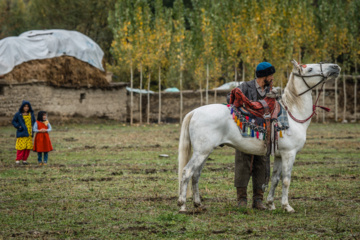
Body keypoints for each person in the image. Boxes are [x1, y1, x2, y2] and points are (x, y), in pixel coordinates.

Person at [231, 62, 275, 210]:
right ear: (264, 76)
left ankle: (258, 200)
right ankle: (241, 199)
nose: (272, 77)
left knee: (262, 163)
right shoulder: (245, 87)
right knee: (243, 161)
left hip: (264, 134)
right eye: (271, 75)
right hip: (246, 133)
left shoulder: (271, 90)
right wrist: (246, 107)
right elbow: (229, 99)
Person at [12, 100, 36, 165]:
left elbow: (34, 122)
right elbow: (13, 121)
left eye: (27, 106)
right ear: (22, 107)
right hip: (22, 132)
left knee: (27, 147)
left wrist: (34, 128)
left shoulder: (31, 114)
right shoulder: (18, 114)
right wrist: (18, 126)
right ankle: (18, 160)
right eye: (25, 106)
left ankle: (24, 160)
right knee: (21, 147)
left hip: (29, 133)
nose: (26, 108)